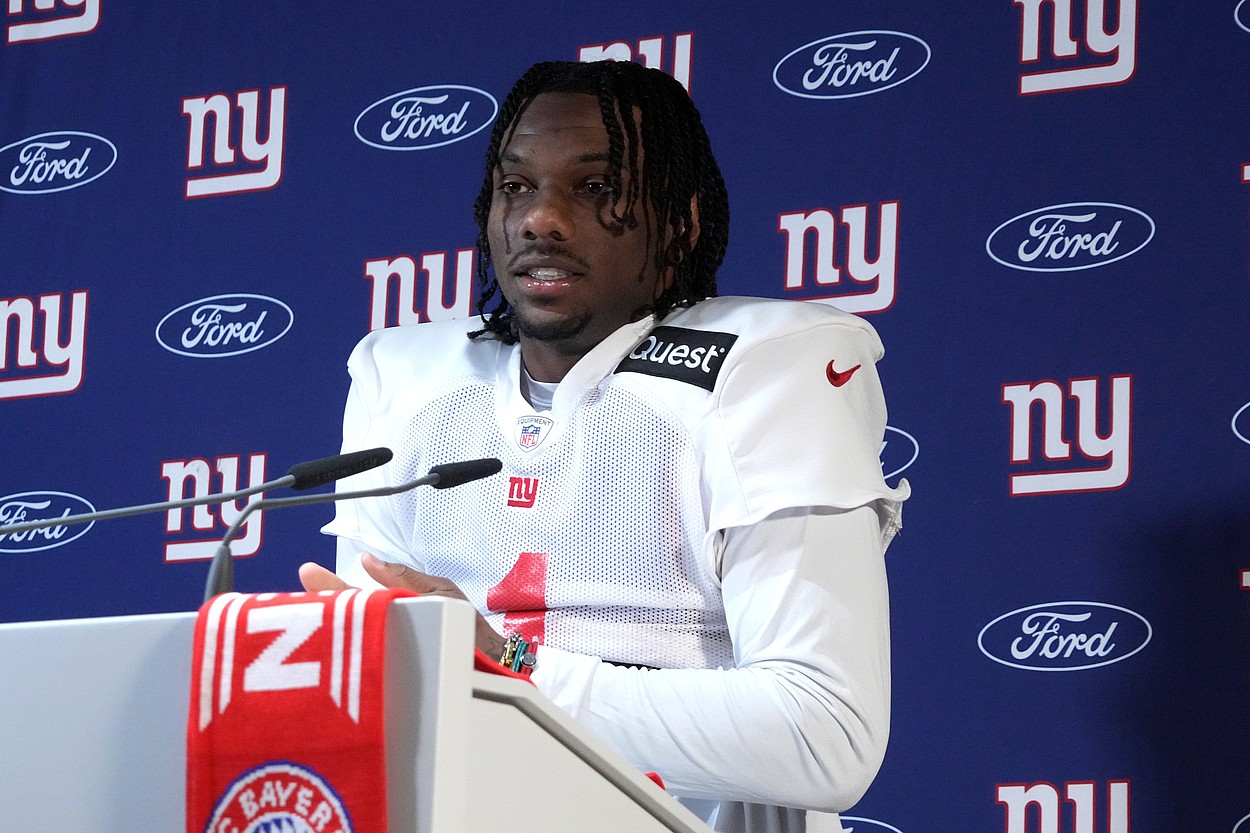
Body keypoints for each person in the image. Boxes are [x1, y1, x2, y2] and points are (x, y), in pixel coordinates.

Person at [300, 59, 909, 833]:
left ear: (681, 222)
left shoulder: (766, 365)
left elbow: (826, 734)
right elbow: (376, 691)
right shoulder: (404, 379)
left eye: (594, 187)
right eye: (516, 186)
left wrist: (513, 668)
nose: (540, 219)